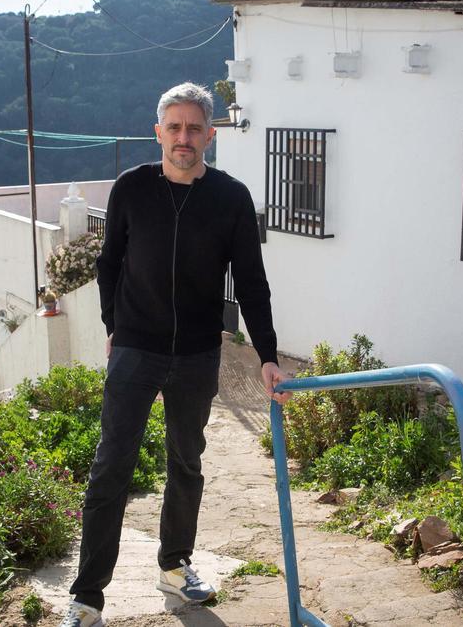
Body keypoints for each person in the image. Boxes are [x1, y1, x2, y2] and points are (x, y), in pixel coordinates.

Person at [59, 82, 291, 627]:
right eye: (174, 126)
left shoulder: (231, 198)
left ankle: (173, 567)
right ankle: (88, 596)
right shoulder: (130, 189)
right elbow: (109, 263)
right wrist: (113, 325)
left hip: (195, 356)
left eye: (194, 128)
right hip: (135, 349)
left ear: (210, 135)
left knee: (186, 464)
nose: (183, 137)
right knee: (110, 467)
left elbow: (252, 283)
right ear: (158, 131)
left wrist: (267, 354)